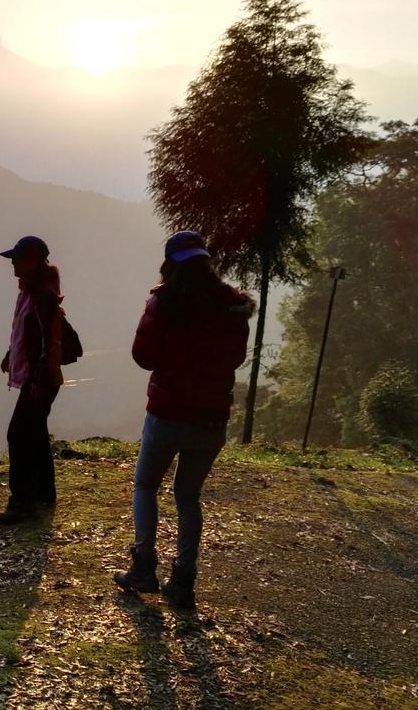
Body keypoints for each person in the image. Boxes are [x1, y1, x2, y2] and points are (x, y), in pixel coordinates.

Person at [114, 230, 255, 609]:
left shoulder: (165, 304)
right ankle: (183, 581)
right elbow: (236, 358)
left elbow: (142, 355)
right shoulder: (233, 307)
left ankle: (144, 567)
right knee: (188, 496)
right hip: (211, 416)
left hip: (168, 410)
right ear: (206, 261)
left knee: (145, 485)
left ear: (170, 264)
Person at [0, 235, 65, 525]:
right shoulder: (32, 292)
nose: (12, 263)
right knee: (34, 434)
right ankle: (44, 493)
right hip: (40, 378)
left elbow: (45, 343)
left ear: (31, 261)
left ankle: (22, 503)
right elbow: (29, 334)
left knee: (18, 434)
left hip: (41, 379)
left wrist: (36, 378)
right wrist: (11, 355)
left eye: (17, 258)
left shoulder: (41, 296)